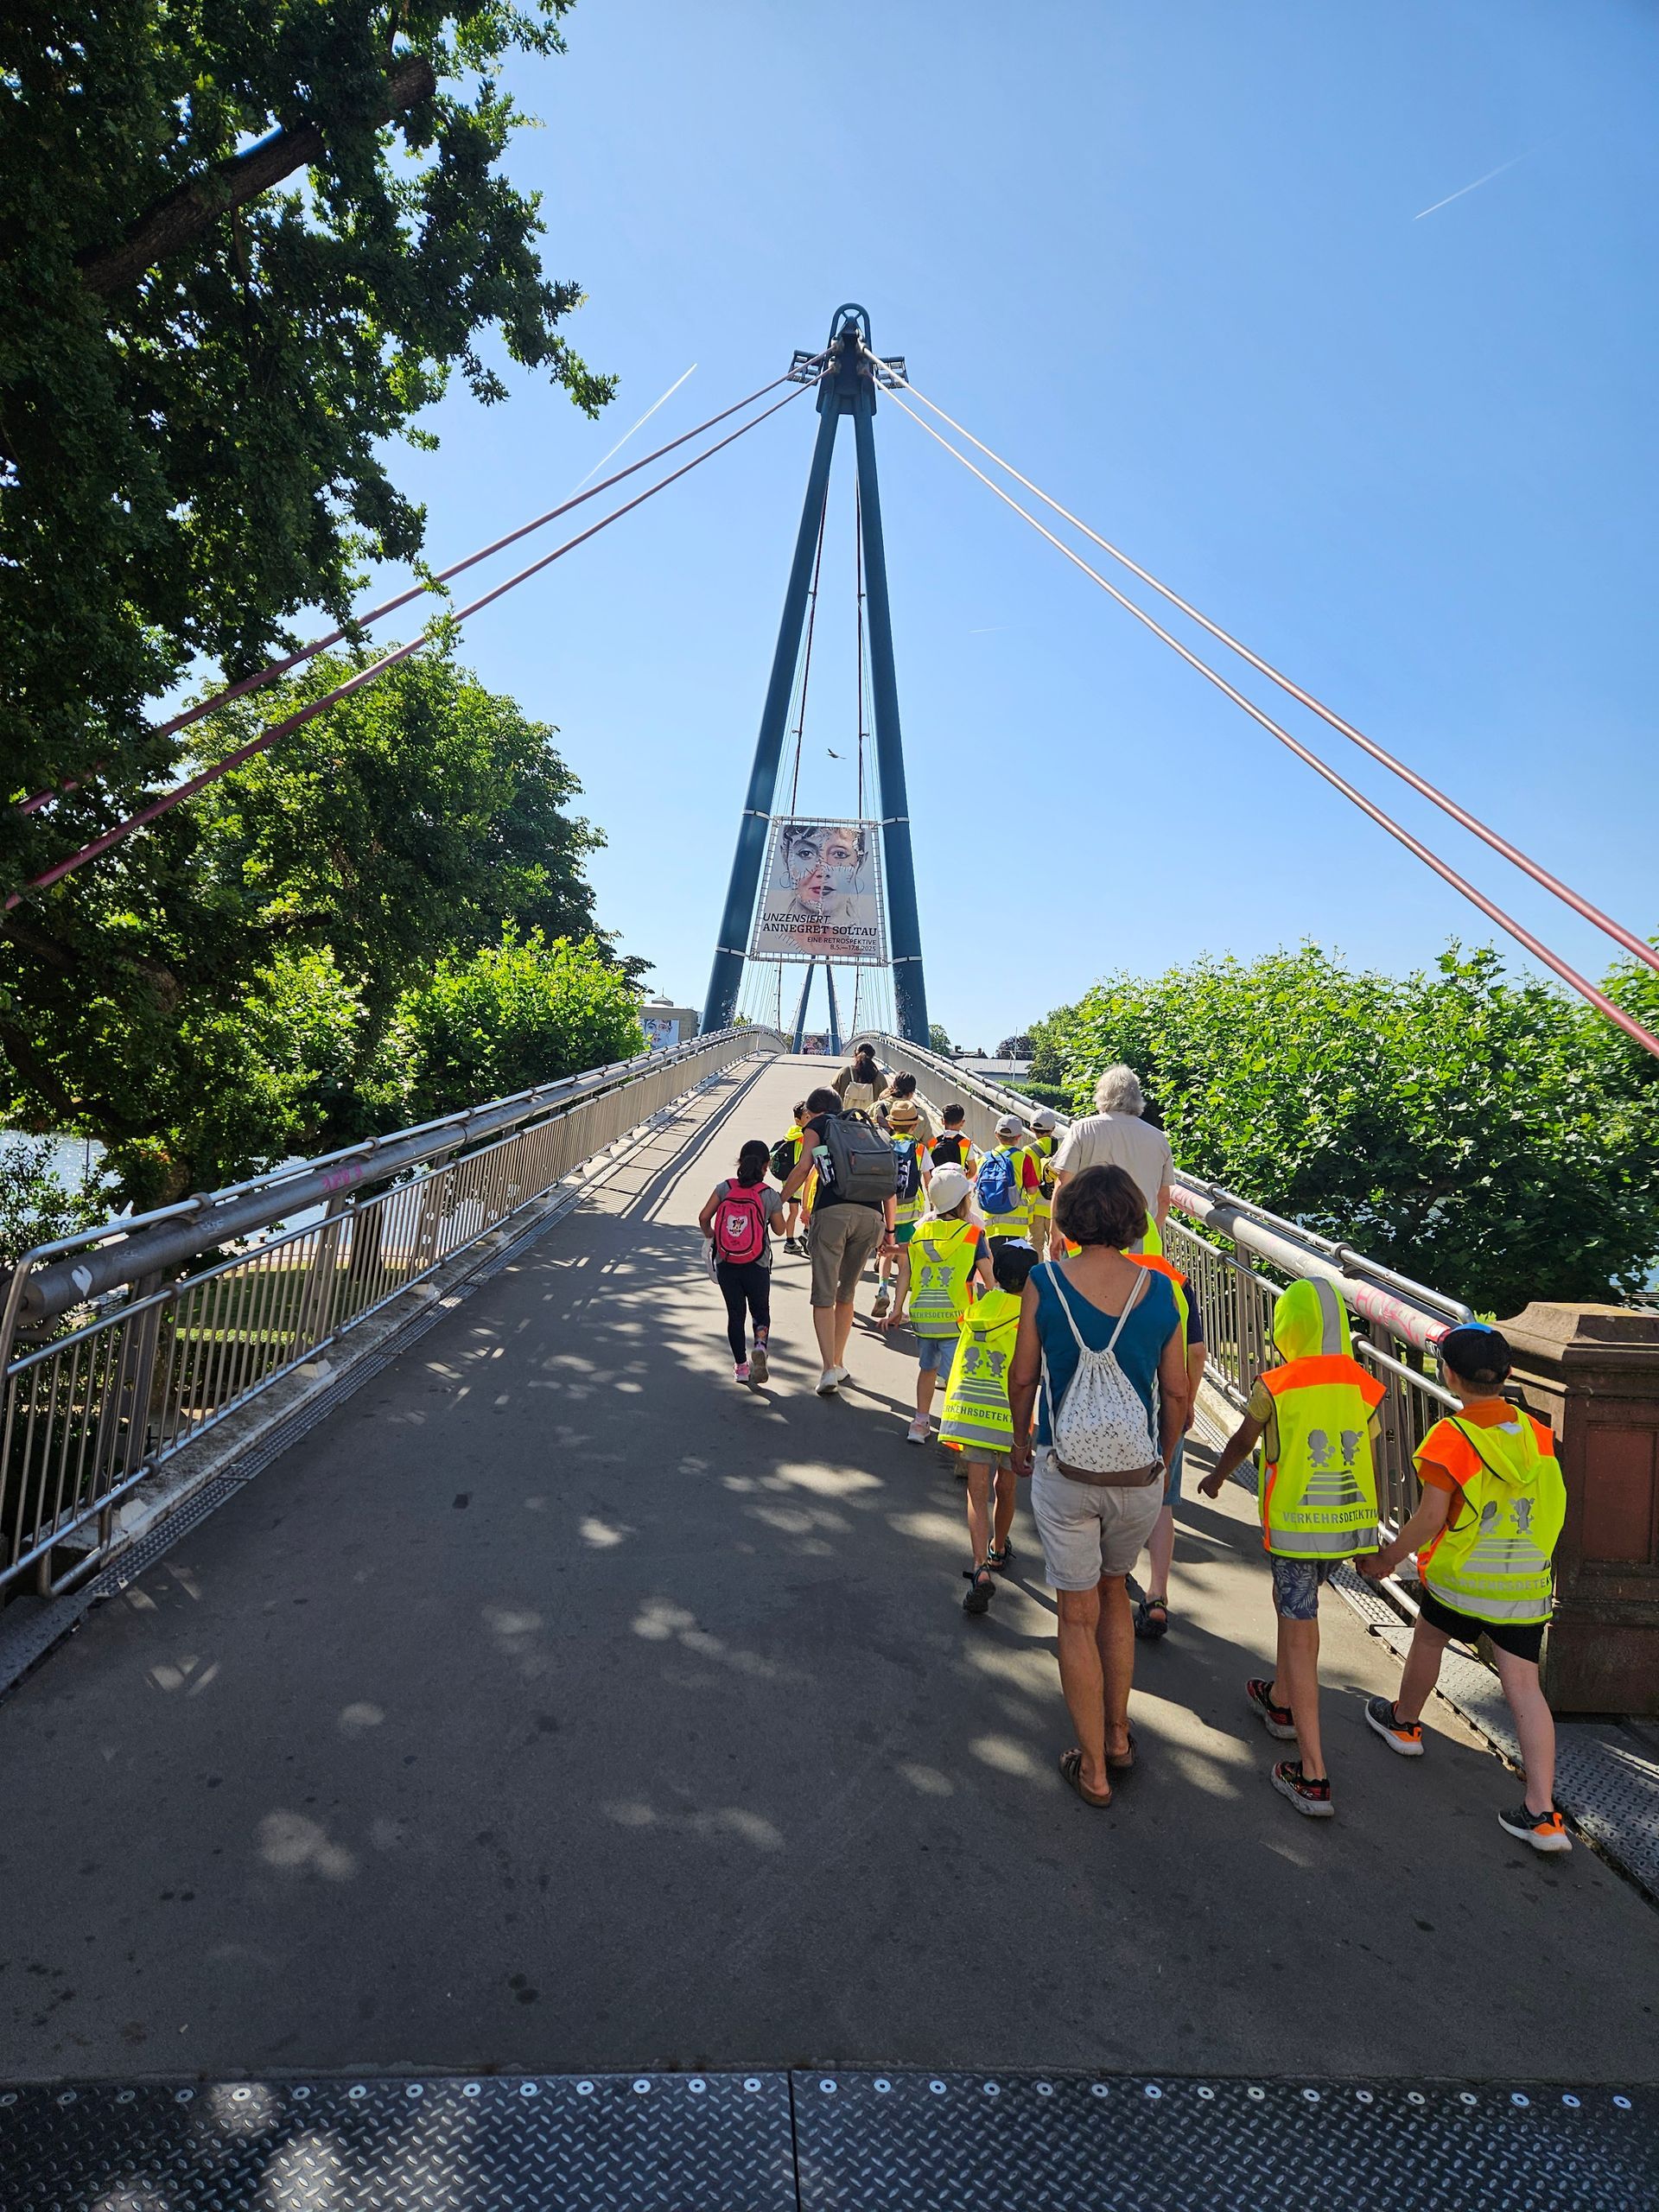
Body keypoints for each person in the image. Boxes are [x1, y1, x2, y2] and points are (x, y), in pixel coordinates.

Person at [1008, 1166, 1189, 1808]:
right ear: (1133, 1218)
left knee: (1075, 1614)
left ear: (1070, 1219)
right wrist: (1164, 1456)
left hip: (1068, 1473)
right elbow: (1176, 1393)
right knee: (1116, 1592)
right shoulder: (1161, 1289)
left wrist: (1021, 1438)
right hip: (1137, 1479)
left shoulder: (1044, 1282)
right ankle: (1117, 1735)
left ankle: (1092, 1770)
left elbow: (1023, 1376)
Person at [1357, 1325, 1571, 1854]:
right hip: (1523, 1583)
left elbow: (1431, 1518)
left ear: (1448, 1374)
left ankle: (1404, 1724)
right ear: (1508, 1374)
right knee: (1525, 1687)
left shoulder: (1450, 1438)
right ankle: (1542, 1813)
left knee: (1428, 1640)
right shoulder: (1538, 1436)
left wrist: (1388, 1558)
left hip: (1461, 1580)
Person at [1197, 1278, 1384, 1820]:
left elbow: (1244, 1440)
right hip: (1345, 1528)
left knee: (1301, 1629)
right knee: (1295, 1613)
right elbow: (1365, 1453)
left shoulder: (1276, 1385)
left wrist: (1216, 1478)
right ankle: (1280, 1701)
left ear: (1289, 1327)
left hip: (1295, 1529)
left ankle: (1314, 1775)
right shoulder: (1362, 1385)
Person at [778, 1086, 896, 1395]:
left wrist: (779, 1201)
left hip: (832, 1214)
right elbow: (890, 1185)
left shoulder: (817, 1126)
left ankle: (828, 1368)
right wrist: (890, 1230)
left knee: (824, 1295)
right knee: (847, 1294)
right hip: (871, 1217)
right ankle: (840, 1362)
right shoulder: (864, 1129)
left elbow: (804, 1167)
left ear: (811, 1112)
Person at [941, 1239, 1039, 1613]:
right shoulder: (1032, 1317)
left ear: (996, 1273)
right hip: (1010, 1413)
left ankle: (980, 1565)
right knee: (1006, 1486)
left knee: (977, 1491)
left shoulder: (977, 1308)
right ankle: (999, 1548)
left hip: (972, 1408)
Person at [1128, 1246, 1207, 1640]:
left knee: (1115, 1496)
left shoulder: (1100, 1271)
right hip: (1167, 1404)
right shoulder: (1178, 1283)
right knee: (1162, 1503)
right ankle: (1157, 1594)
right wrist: (1188, 1401)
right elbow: (1196, 1351)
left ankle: (1116, 1573)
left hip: (1120, 1403)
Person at [897, 1165, 992, 1445]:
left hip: (924, 1317)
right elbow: (989, 1280)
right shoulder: (972, 1234)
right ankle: (957, 1429)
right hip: (957, 1318)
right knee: (958, 1376)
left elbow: (905, 1273)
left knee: (927, 1368)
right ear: (962, 1201)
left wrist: (896, 1309)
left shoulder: (919, 1233)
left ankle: (919, 1422)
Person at [1047, 1065, 1173, 1259]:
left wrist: (1055, 1231)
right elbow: (1164, 1199)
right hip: (1139, 1242)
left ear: (1102, 1094)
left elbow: (1063, 1185)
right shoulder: (1158, 1138)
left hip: (1086, 1236)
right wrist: (1149, 1232)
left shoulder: (1082, 1129)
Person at [697, 1140, 784, 1385]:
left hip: (727, 1262)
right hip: (757, 1263)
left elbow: (704, 1217)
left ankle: (741, 1367)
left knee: (735, 1315)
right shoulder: (768, 1194)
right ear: (766, 1166)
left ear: (740, 1161)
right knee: (760, 1311)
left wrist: (713, 1236)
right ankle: (760, 1345)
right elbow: (779, 1230)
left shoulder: (725, 1188)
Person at [873, 1096, 931, 1321]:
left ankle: (882, 1289)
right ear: (915, 1126)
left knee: (885, 1252)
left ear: (891, 1124)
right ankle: (898, 1309)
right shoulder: (920, 1149)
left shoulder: (883, 1145)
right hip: (911, 1212)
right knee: (905, 1260)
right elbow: (928, 1182)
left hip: (886, 1209)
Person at [976, 1113, 1044, 1245]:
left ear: (996, 1134)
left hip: (992, 1220)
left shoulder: (985, 1158)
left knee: (995, 1255)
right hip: (1016, 1222)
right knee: (1015, 1255)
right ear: (1018, 1137)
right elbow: (1032, 1190)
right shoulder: (1023, 1158)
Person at [772, 1102, 809, 1255]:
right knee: (809, 1211)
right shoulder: (807, 1135)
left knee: (793, 1213)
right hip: (804, 1181)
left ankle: (789, 1242)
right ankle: (807, 1235)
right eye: (807, 1117)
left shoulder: (790, 1134)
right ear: (798, 1120)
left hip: (789, 1181)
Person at [1026, 1105, 1061, 1255]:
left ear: (1032, 1128)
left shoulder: (1028, 1151)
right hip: (1057, 1207)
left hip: (1036, 1208)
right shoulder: (1063, 1146)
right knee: (1059, 1247)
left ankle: (1038, 1270)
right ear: (1053, 1128)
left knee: (1035, 1246)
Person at [833, 1040, 887, 1112]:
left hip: (845, 1116)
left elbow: (834, 1089)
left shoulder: (845, 1072)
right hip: (869, 1117)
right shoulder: (879, 1077)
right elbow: (885, 1097)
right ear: (872, 1056)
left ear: (855, 1054)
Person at [931, 1103, 979, 1179]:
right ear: (962, 1123)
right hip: (958, 1182)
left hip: (938, 1183)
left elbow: (928, 1170)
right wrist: (962, 1179)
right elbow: (973, 1170)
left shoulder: (932, 1143)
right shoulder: (966, 1143)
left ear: (943, 1121)